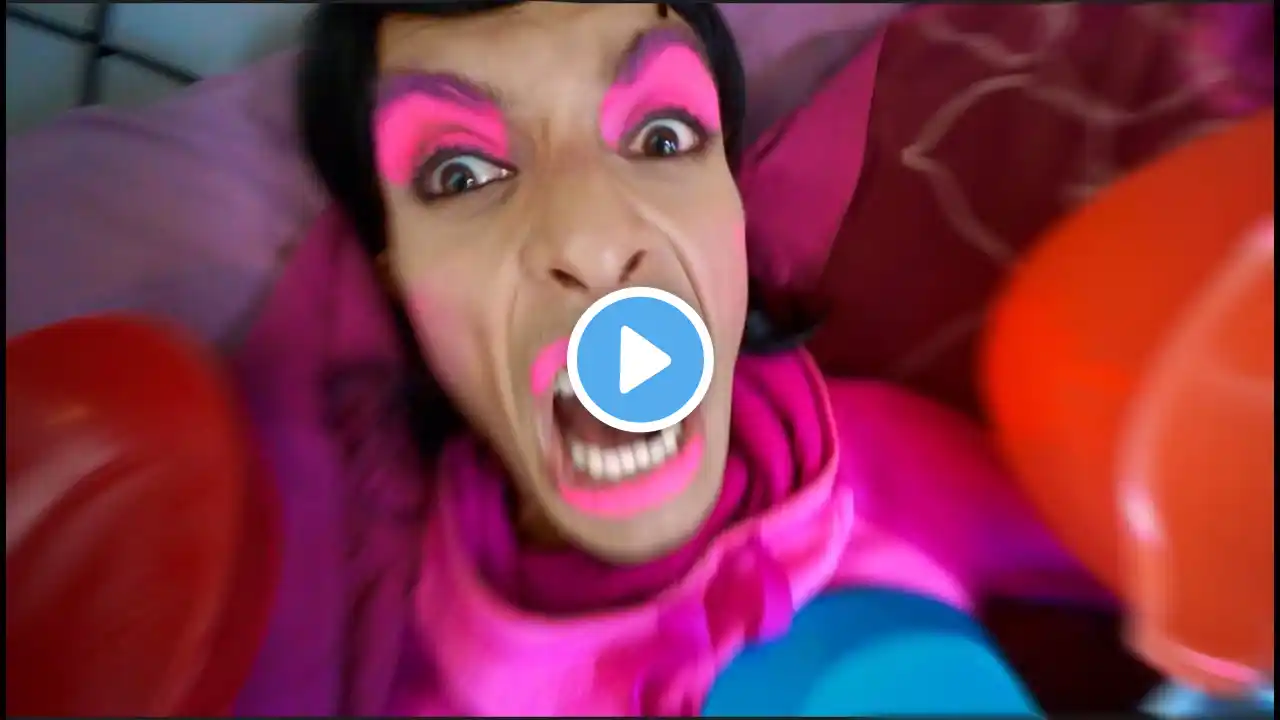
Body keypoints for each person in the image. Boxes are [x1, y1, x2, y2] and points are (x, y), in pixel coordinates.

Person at [226, 2, 1101, 715]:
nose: (594, 239)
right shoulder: (393, 675)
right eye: (462, 175)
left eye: (663, 138)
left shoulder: (882, 465)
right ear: (391, 273)